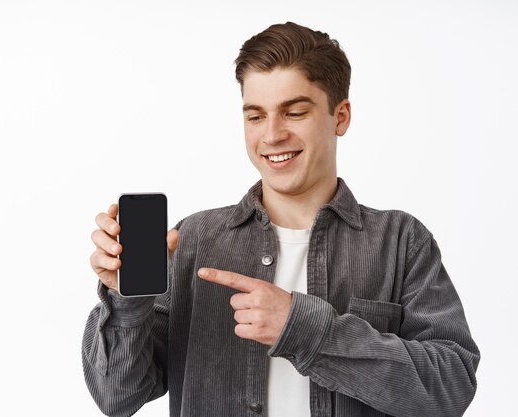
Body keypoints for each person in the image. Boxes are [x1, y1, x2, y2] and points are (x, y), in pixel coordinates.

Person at [82, 21, 480, 417]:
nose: (271, 135)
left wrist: (305, 328)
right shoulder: (194, 239)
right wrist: (126, 302)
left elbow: (451, 389)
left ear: (340, 117)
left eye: (294, 112)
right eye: (255, 116)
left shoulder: (400, 241)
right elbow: (117, 397)